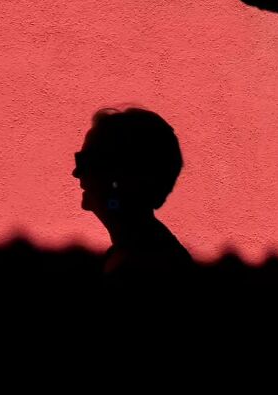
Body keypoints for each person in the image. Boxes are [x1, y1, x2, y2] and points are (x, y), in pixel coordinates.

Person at [72, 106, 193, 286]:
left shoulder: (148, 271)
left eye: (87, 161)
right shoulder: (138, 253)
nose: (76, 173)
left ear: (123, 174)